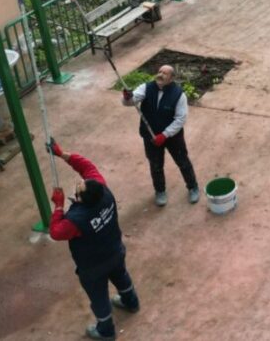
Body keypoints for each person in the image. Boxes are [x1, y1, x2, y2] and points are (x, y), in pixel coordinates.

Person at [47, 139, 140, 340]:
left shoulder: (75, 221)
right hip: (115, 251)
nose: (79, 183)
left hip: (92, 267)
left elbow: (55, 232)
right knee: (121, 275)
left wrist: (59, 206)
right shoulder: (102, 191)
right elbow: (87, 167)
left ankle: (105, 330)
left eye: (78, 188)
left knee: (99, 297)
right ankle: (131, 302)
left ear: (80, 200)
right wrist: (62, 154)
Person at [121, 65, 199, 206]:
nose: (161, 75)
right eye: (160, 71)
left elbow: (180, 119)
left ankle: (193, 187)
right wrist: (127, 97)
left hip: (173, 137)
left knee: (183, 162)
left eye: (165, 73)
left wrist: (165, 135)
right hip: (150, 136)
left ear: (172, 78)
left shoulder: (178, 94)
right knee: (156, 165)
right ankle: (160, 191)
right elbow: (131, 102)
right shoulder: (146, 87)